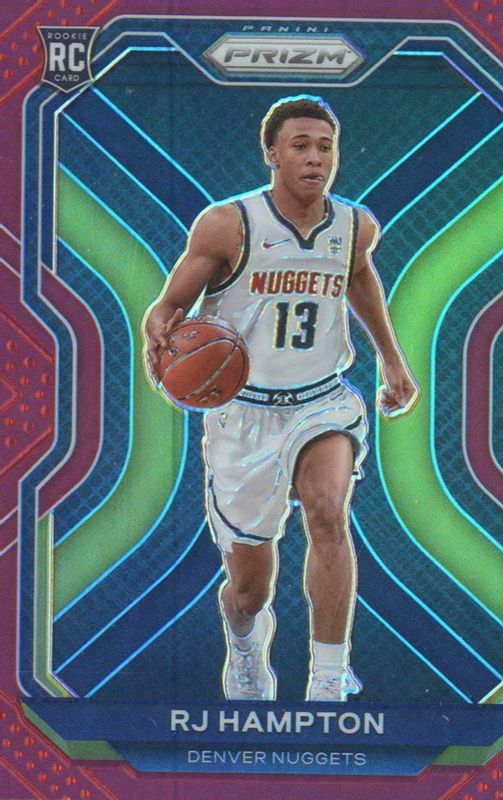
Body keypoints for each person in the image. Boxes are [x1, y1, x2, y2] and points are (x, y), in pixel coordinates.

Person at [144, 95, 418, 702]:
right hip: (245, 413)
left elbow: (357, 275)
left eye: (325, 147)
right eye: (300, 146)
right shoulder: (228, 224)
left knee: (327, 510)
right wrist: (157, 331)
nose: (315, 158)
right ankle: (246, 643)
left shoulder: (355, 226)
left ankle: (328, 678)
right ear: (272, 154)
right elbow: (169, 305)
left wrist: (392, 360)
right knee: (250, 589)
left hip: (322, 400)